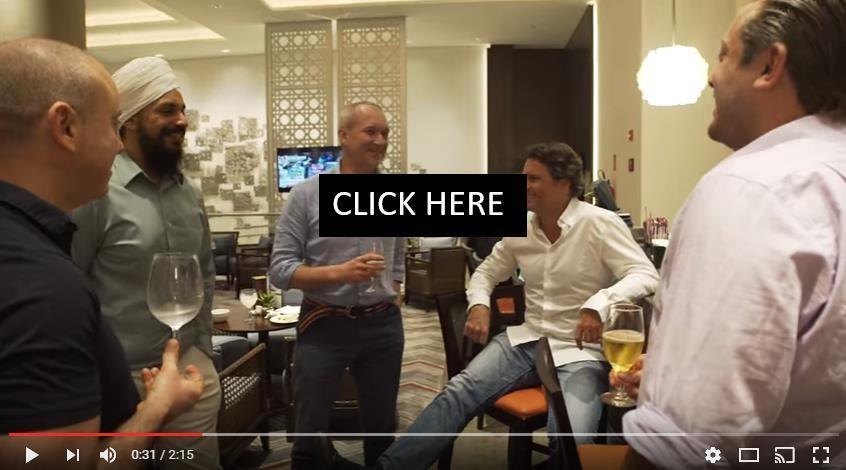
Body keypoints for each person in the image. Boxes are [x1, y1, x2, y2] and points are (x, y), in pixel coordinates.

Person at [319, 142, 660, 470]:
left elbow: (645, 274)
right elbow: (485, 273)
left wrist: (598, 304)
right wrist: (479, 304)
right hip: (527, 342)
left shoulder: (599, 223)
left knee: (571, 438)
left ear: (564, 182)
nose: (523, 186)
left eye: (533, 178)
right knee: (458, 392)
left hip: (579, 352)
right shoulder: (520, 226)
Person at [613, 1, 846, 468]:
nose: (711, 77)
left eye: (723, 54)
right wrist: (672, 374)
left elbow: (685, 448)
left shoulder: (751, 190)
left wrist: (676, 404)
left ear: (769, 65)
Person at [0, 37, 203, 469]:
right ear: (65, 127)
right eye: (112, 125)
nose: (117, 145)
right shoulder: (44, 285)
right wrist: (156, 408)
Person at [71, 57, 221, 469]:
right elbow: (71, 282)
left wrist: (202, 351)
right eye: (167, 111)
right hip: (120, 378)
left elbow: (205, 273)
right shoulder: (97, 190)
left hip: (189, 372)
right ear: (131, 120)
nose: (182, 121)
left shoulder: (188, 191)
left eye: (183, 110)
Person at [269, 101, 406, 469]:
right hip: (324, 323)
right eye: (371, 132)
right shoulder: (306, 195)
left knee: (381, 432)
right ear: (344, 136)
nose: (380, 141)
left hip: (383, 326)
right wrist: (340, 273)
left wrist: (394, 286)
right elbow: (280, 270)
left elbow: (398, 256)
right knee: (308, 435)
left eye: (385, 133)